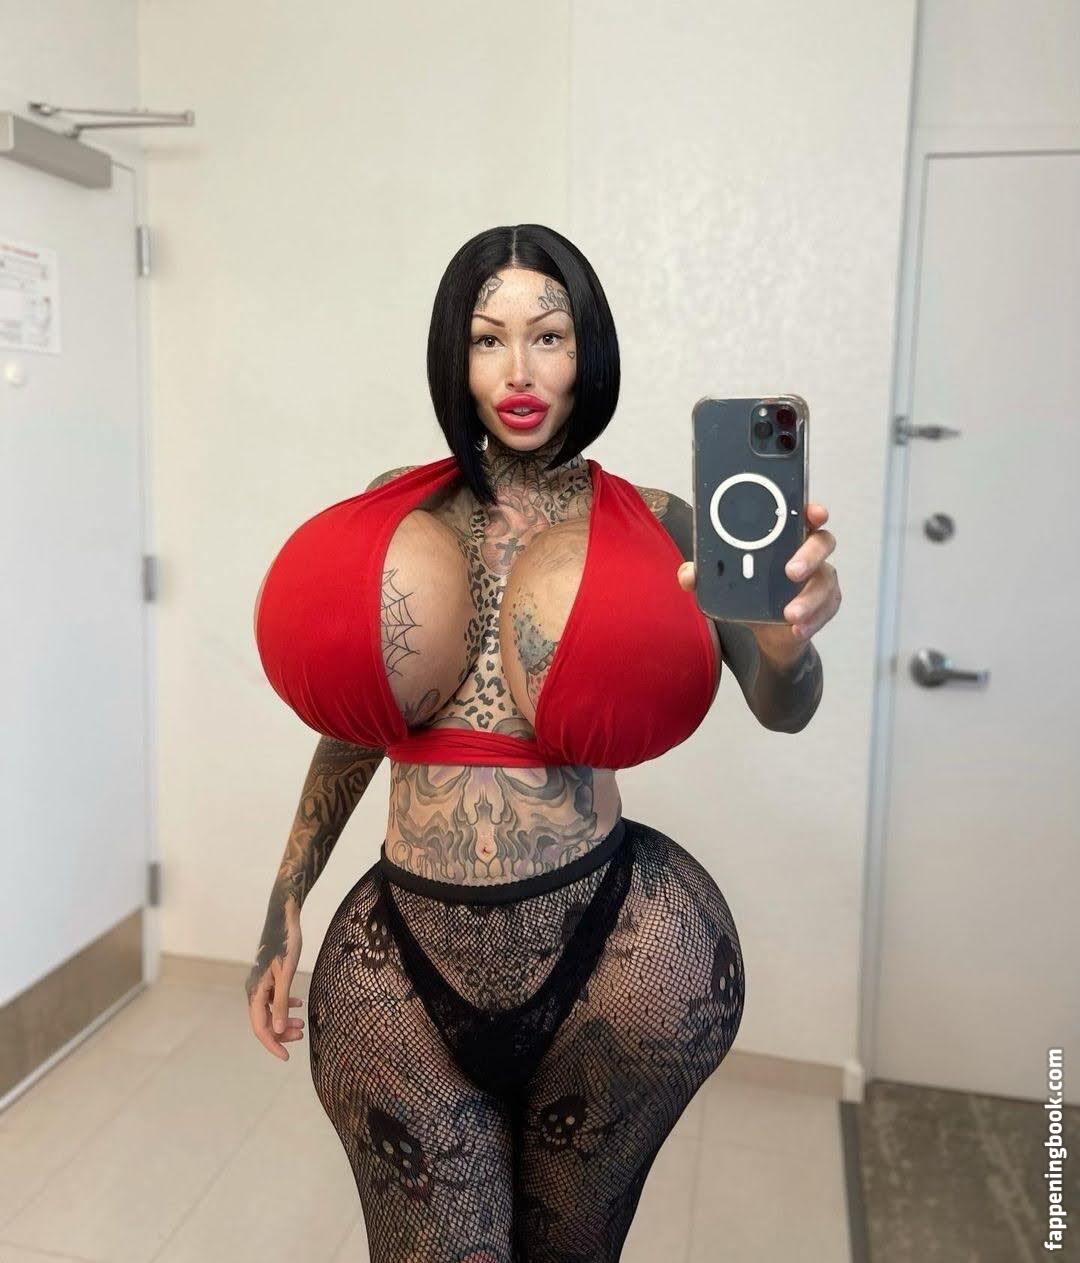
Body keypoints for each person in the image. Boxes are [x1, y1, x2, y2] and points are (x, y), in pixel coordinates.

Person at [245, 224, 838, 1262]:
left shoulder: (662, 520)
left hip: (613, 948)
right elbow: (355, 721)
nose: (518, 371)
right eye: (488, 339)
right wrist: (284, 897)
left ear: (586, 349)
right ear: (456, 355)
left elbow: (783, 706)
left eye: (549, 337)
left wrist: (788, 644)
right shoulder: (405, 506)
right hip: (405, 959)